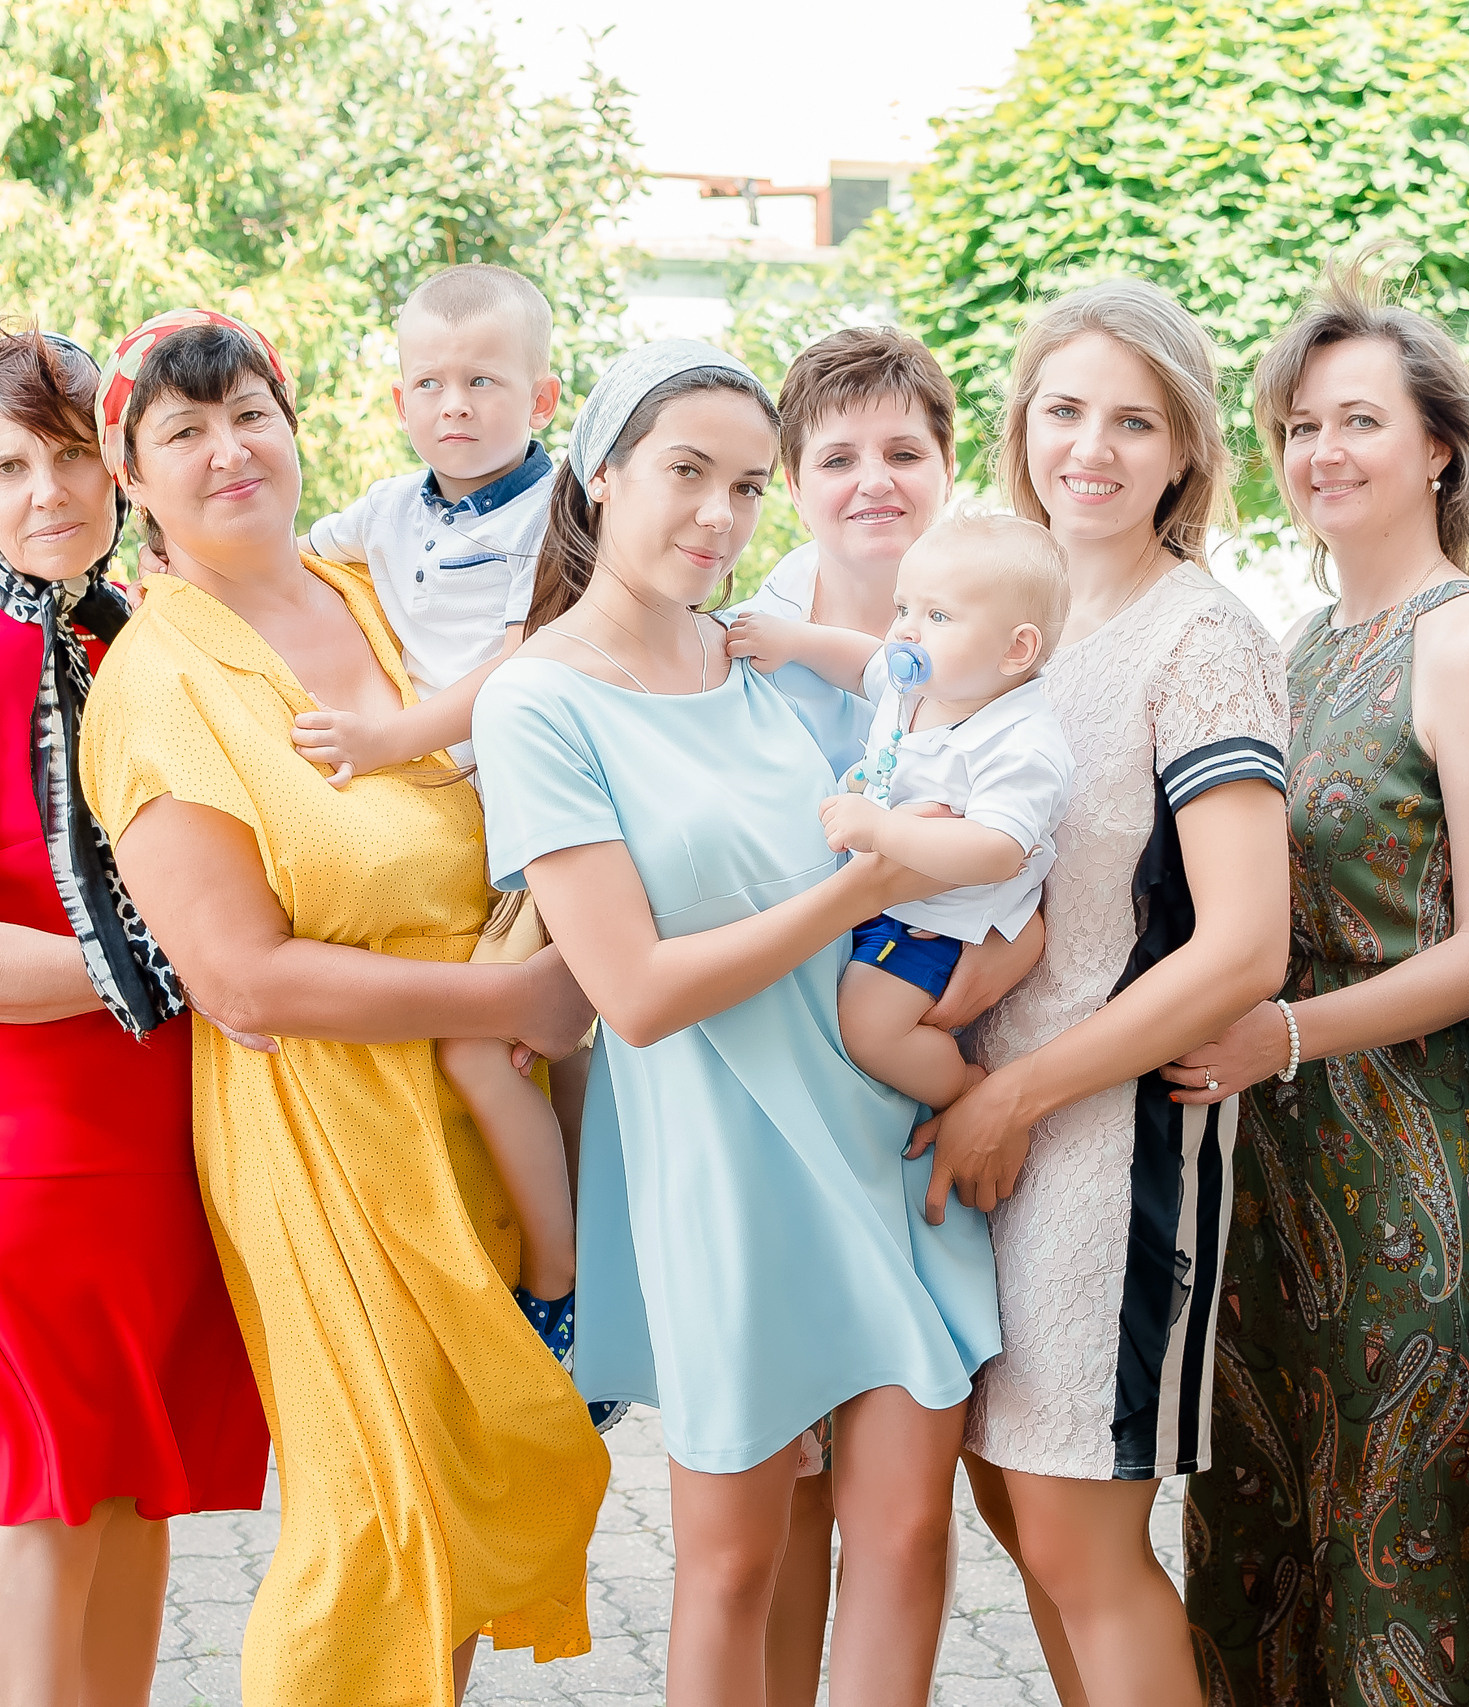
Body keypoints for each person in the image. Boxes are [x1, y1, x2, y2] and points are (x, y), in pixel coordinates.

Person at [73, 307, 608, 1704]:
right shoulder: (154, 683)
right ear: (132, 479)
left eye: (250, 411)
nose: (228, 448)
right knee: (376, 1525)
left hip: (487, 1107)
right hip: (329, 1132)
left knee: (470, 1476)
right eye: (181, 431)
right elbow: (241, 975)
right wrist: (505, 990)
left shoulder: (373, 593)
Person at [471, 338, 1000, 1707]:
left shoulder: (753, 655)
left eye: (747, 487)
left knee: (902, 1541)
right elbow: (634, 991)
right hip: (722, 1171)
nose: (719, 516)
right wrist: (857, 894)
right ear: (600, 473)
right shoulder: (538, 698)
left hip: (883, 1140)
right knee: (726, 1568)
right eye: (686, 474)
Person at [0, 325, 270, 1707]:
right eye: (5, 464)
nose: (46, 492)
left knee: (137, 1490)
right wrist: (165, 960)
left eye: (74, 453)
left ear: (121, 460)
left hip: (175, 1145)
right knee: (51, 1487)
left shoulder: (155, 636)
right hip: (36, 1161)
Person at [1161, 260, 1469, 1701]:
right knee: (1268, 1525)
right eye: (1301, 426)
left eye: (1361, 421)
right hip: (1266, 1156)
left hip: (1410, 1159)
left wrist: (1288, 1031)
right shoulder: (1297, 643)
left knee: (1410, 1541)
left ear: (1440, 445)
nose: (1324, 453)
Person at [909, 279, 1292, 1707]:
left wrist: (1018, 1089)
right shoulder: (1013, 618)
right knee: (1020, 1512)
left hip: (1112, 1141)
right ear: (1022, 424)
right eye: (1066, 409)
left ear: (1184, 450)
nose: (1094, 447)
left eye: (1135, 420)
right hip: (980, 1123)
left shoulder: (1205, 640)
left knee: (1080, 1533)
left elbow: (1243, 945)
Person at [724, 326, 1044, 1706]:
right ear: (791, 476)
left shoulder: (1007, 632)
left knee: (904, 1513)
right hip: (765, 1115)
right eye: (837, 455)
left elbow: (1052, 854)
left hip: (918, 1107)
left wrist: (1007, 963)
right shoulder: (739, 643)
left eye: (904, 452)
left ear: (949, 464)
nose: (873, 480)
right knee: (779, 1506)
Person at [290, 262, 591, 1364]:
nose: (454, 405)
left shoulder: (563, 515)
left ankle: (561, 1292)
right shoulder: (389, 512)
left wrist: (385, 741)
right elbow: (285, 562)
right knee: (531, 1057)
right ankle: (581, 1270)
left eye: (483, 381)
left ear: (542, 399)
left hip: (556, 815)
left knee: (490, 1049)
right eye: (431, 383)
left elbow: (522, 664)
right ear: (399, 403)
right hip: (463, 835)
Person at [825, 512, 1075, 1113]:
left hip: (937, 924)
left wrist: (886, 828)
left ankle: (960, 1087)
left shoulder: (1020, 744)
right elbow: (860, 663)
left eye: (936, 616)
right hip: (879, 896)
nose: (907, 632)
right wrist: (788, 643)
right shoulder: (923, 685)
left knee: (865, 1028)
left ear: (1016, 649)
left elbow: (997, 850)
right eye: (902, 608)